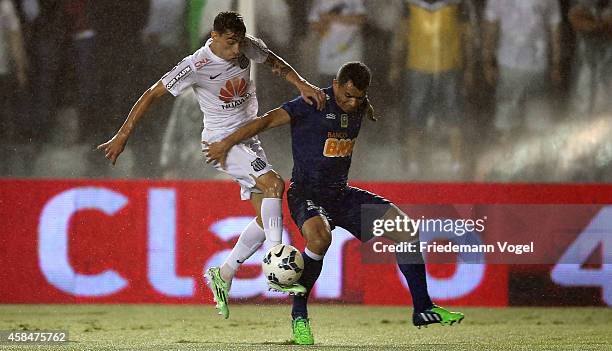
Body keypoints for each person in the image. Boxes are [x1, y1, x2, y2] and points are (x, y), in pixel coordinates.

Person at [206, 62, 464, 345]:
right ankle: (299, 318)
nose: (352, 103)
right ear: (336, 84)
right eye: (347, 96)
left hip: (342, 195)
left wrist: (367, 106)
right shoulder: (312, 102)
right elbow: (266, 121)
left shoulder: (360, 104)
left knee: (405, 229)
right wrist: (226, 143)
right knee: (319, 239)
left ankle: (423, 308)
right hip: (306, 194)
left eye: (359, 97)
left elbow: (360, 104)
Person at [97, 11, 326, 319]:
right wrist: (123, 134)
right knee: (274, 184)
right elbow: (152, 94)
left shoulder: (246, 46)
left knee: (265, 216)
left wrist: (302, 84)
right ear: (215, 36)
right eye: (230, 43)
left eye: (240, 43)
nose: (236, 51)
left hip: (248, 139)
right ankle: (275, 264)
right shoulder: (195, 65)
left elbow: (273, 62)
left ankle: (224, 273)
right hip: (221, 143)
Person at [389, 0, 476, 177]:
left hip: (450, 67)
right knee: (415, 116)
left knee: (454, 117)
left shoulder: (459, 4)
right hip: (418, 67)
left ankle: (456, 162)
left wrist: (469, 68)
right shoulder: (409, 4)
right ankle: (413, 163)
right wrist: (395, 64)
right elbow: (401, 34)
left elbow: (468, 36)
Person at [483, 0, 562, 140]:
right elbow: (555, 29)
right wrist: (488, 62)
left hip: (530, 67)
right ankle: (515, 155)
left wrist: (488, 62)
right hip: (516, 67)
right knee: (518, 125)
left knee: (525, 125)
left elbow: (491, 28)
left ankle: (524, 156)